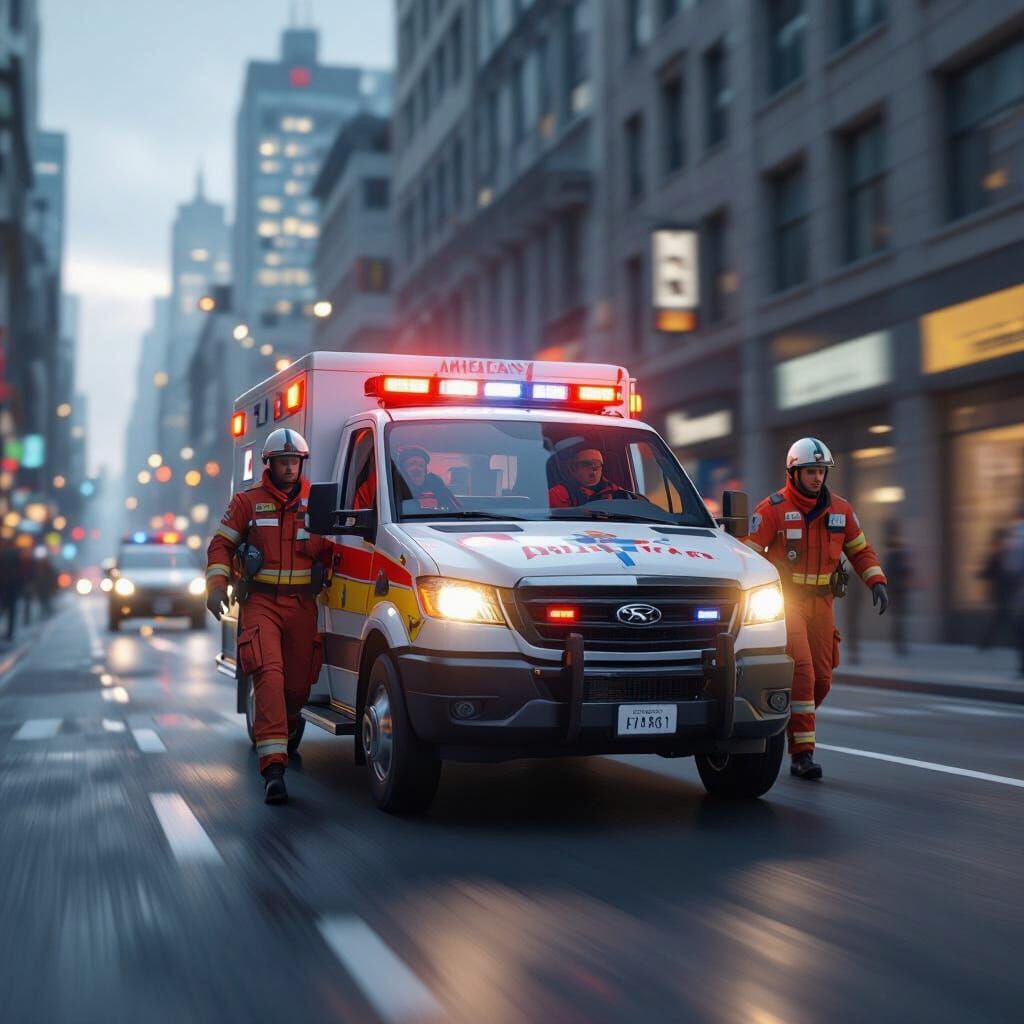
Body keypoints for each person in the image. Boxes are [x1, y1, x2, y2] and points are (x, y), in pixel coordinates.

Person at [205, 428, 337, 805]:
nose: (290, 468)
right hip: (261, 603)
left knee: (297, 686)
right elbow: (221, 545)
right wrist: (216, 585)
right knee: (269, 676)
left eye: (295, 461)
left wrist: (326, 569)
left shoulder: (318, 501)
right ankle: (273, 769)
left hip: (302, 607)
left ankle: (285, 729)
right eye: (284, 462)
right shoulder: (247, 502)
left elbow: (333, 548)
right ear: (270, 464)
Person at [744, 437, 889, 781]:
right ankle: (802, 756)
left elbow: (861, 550)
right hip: (788, 603)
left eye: (821, 471)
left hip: (823, 603)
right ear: (793, 472)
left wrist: (877, 580)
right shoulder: (772, 509)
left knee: (823, 679)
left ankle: (788, 724)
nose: (817, 478)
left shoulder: (841, 510)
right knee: (804, 675)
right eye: (810, 471)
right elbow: (746, 554)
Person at [548, 446, 633, 508]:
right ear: (573, 468)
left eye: (597, 464)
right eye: (586, 464)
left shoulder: (617, 492)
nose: (593, 469)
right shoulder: (557, 495)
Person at [394, 446, 459, 510]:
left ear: (425, 469)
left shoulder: (434, 482)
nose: (417, 468)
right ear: (403, 468)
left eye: (421, 465)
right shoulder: (395, 484)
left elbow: (455, 509)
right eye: (412, 464)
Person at [978, 527, 1012, 650]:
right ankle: (985, 644)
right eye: (1004, 539)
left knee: (1001, 619)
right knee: (1002, 619)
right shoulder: (996, 556)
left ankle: (985, 644)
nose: (1006, 542)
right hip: (1000, 593)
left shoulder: (1005, 555)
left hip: (1006, 592)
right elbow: (987, 573)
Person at [884, 520, 910, 657]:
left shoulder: (898, 553)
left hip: (899, 590)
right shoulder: (892, 555)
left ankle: (900, 644)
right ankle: (899, 645)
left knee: (899, 618)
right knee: (898, 619)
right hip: (895, 591)